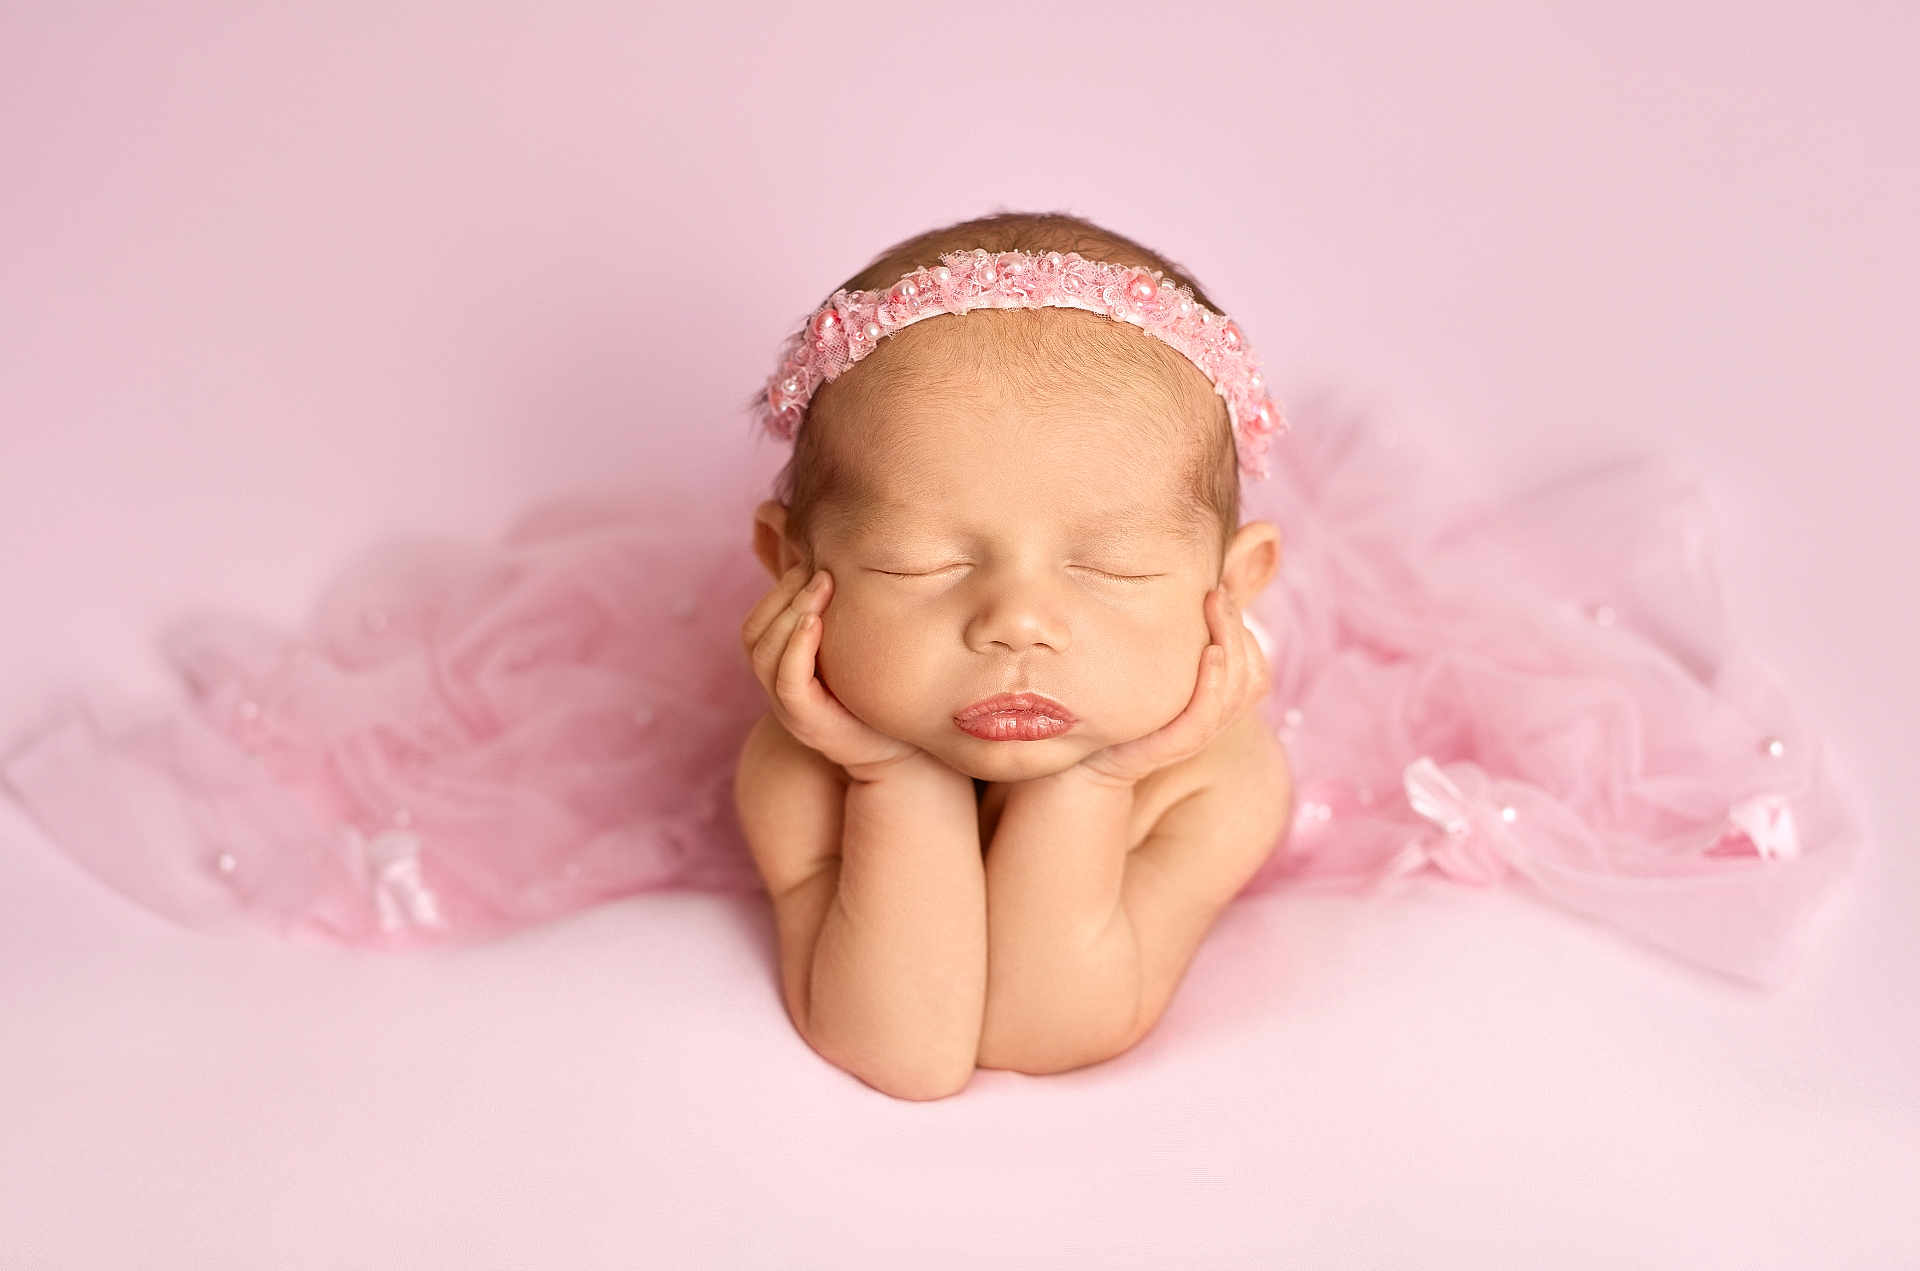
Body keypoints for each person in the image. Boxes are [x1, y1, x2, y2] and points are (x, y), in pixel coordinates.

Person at [1, 211, 1868, 1098]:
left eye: (1119, 569)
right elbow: (899, 1049)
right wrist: (888, 773)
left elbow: (1053, 1024)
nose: (1019, 619)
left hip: (1174, 736)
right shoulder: (800, 752)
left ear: (1236, 589)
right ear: (792, 567)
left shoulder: (1225, 754)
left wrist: (1112, 769)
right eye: (914, 559)